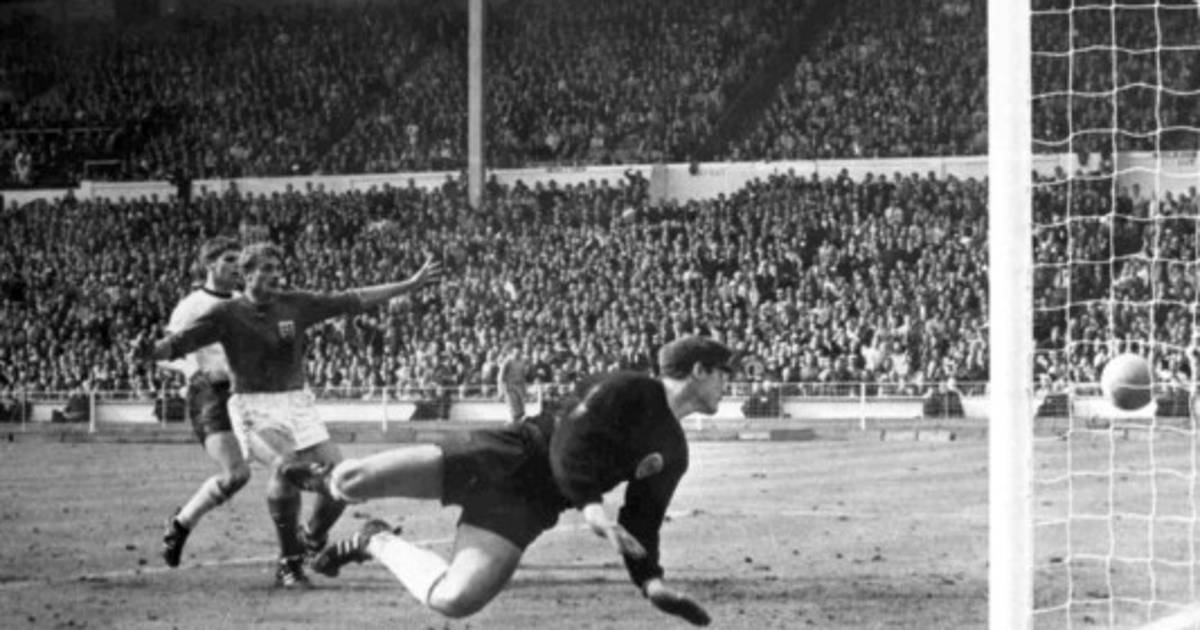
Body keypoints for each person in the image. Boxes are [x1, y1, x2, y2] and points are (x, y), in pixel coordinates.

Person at [283, 335, 730, 626]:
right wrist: (591, 506)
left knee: (455, 600)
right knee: (352, 479)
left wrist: (651, 581)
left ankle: (374, 540)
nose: (727, 384)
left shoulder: (674, 452)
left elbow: (642, 519)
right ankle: (322, 480)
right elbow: (568, 443)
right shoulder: (627, 387)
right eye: (724, 373)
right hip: (506, 456)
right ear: (699, 370)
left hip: (530, 505)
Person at [138, 243, 442, 588]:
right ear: (247, 274)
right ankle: (289, 563)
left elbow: (352, 298)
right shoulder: (226, 313)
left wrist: (409, 284)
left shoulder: (296, 303)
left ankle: (311, 540)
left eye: (277, 268)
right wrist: (151, 351)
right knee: (286, 466)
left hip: (298, 405)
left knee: (343, 481)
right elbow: (178, 344)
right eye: (266, 269)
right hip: (253, 406)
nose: (275, 275)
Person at [156, 236, 251, 568]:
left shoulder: (243, 302)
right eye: (229, 259)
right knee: (236, 474)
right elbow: (165, 355)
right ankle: (181, 524)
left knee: (289, 464)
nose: (237, 266)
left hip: (246, 394)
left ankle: (300, 547)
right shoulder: (191, 306)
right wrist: (196, 371)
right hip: (209, 395)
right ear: (210, 264)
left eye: (240, 260)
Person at [496, 342, 528, 424]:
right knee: (514, 412)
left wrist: (524, 391)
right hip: (510, 388)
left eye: (520, 350)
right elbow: (500, 377)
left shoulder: (522, 361)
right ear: (513, 350)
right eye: (517, 349)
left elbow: (523, 377)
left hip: (519, 388)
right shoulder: (508, 361)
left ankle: (515, 426)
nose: (518, 351)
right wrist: (500, 391)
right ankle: (510, 425)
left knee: (521, 412)